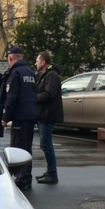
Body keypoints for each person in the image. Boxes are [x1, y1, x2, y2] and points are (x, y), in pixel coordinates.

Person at [0, 45, 36, 190]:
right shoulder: (30, 72)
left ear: (10, 58)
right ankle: (27, 177)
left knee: (18, 148)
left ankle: (22, 178)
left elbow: (11, 96)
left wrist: (5, 116)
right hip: (31, 115)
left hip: (19, 116)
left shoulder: (15, 73)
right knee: (27, 148)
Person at [34, 51, 63, 184]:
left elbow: (49, 94)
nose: (35, 63)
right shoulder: (44, 75)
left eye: (37, 61)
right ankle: (50, 171)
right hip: (43, 115)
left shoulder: (52, 75)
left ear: (43, 62)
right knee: (45, 144)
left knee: (46, 144)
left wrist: (33, 98)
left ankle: (52, 173)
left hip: (48, 115)